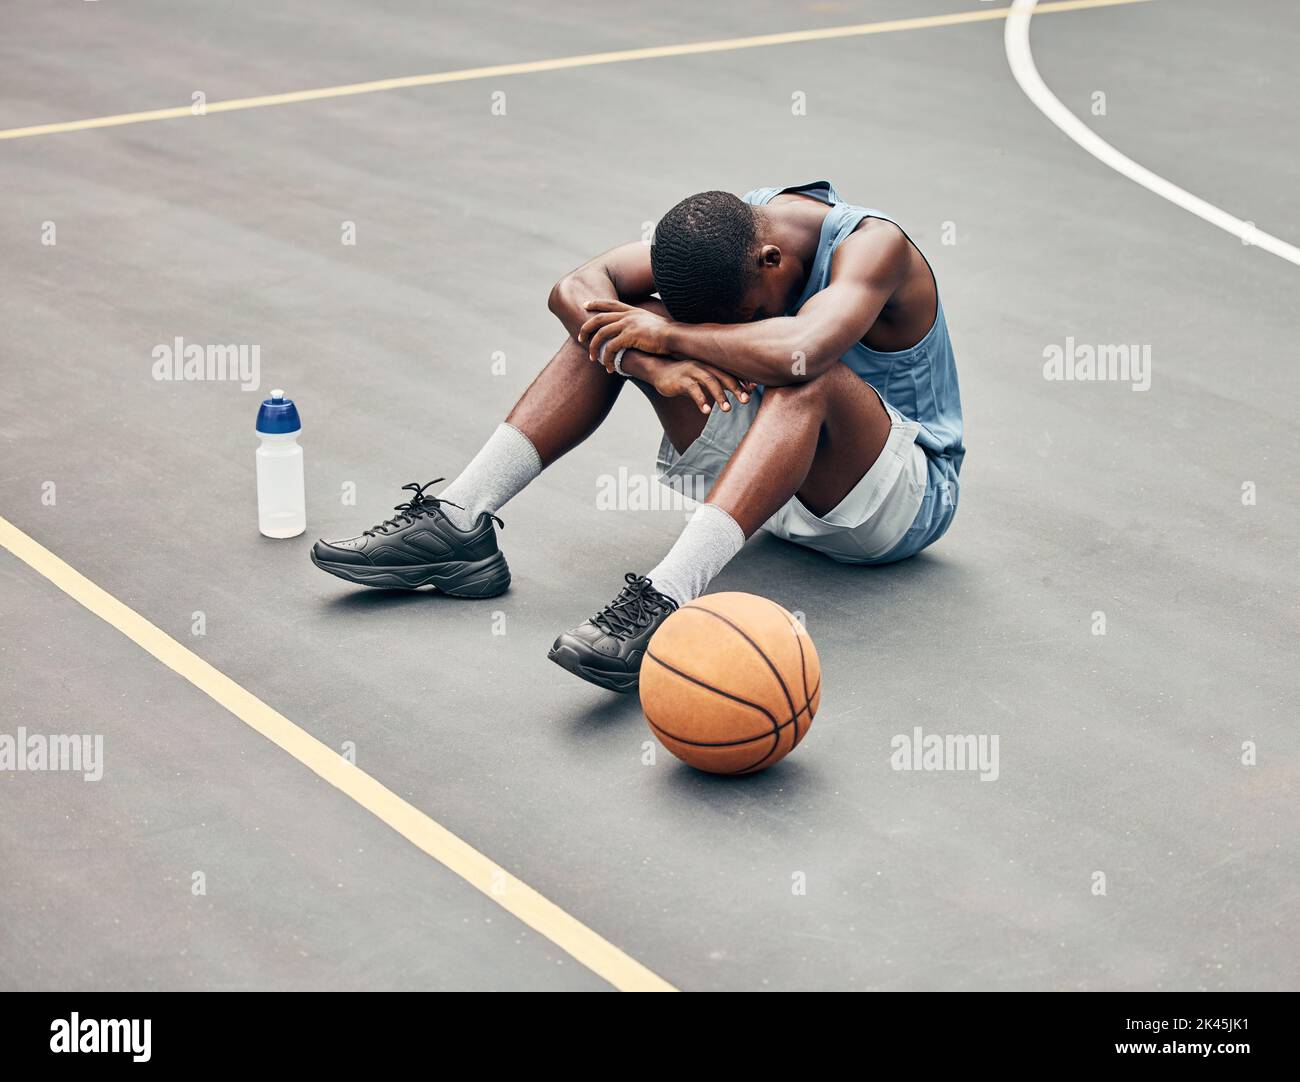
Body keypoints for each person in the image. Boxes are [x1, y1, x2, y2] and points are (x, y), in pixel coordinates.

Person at [310, 181, 964, 692]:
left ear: (772, 260)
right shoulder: (728, 230)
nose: (731, 337)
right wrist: (647, 356)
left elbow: (800, 348)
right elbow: (575, 288)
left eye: (745, 320)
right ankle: (459, 524)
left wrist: (672, 335)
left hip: (898, 505)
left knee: (803, 374)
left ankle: (666, 599)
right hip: (779, 477)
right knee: (615, 325)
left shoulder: (877, 247)